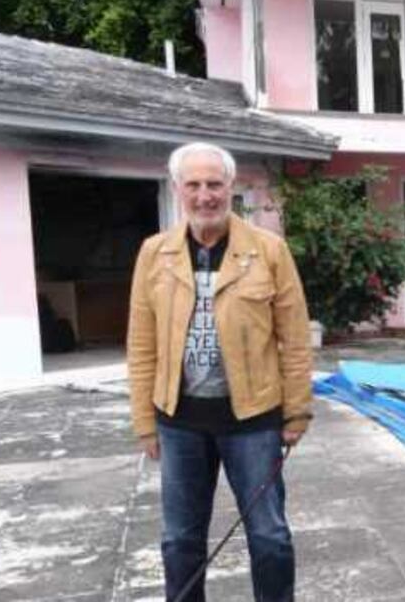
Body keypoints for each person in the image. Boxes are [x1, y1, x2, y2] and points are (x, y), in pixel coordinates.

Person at [126, 142, 312, 602]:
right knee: (179, 540)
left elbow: (294, 337)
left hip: (253, 421)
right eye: (194, 184)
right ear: (177, 189)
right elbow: (141, 344)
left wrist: (297, 413)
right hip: (179, 422)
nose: (204, 195)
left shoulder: (268, 251)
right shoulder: (154, 254)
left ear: (231, 186)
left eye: (214, 184)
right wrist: (144, 421)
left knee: (269, 535)